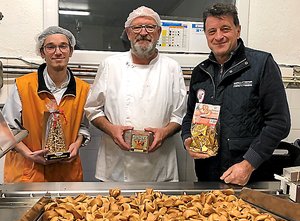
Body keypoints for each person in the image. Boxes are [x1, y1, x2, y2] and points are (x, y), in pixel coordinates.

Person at [181, 3, 291, 186]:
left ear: (237, 30)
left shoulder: (261, 64)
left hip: (251, 177)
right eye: (212, 31)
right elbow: (189, 117)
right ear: (206, 35)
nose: (218, 36)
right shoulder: (200, 72)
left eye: (225, 29)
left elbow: (279, 123)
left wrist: (248, 164)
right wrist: (187, 140)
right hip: (207, 176)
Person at [84, 6, 187, 182]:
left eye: (150, 27)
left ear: (159, 32)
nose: (143, 33)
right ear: (128, 33)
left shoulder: (172, 67)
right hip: (117, 165)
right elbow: (93, 109)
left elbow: (179, 115)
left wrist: (164, 132)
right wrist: (111, 129)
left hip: (159, 165)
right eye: (137, 28)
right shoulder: (110, 65)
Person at [2, 26, 90, 182]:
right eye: (50, 47)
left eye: (63, 46)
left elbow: (82, 127)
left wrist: (77, 144)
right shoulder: (23, 86)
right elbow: (6, 130)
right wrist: (28, 154)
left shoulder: (84, 89)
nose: (58, 52)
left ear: (70, 51)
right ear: (42, 53)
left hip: (67, 175)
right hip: (28, 174)